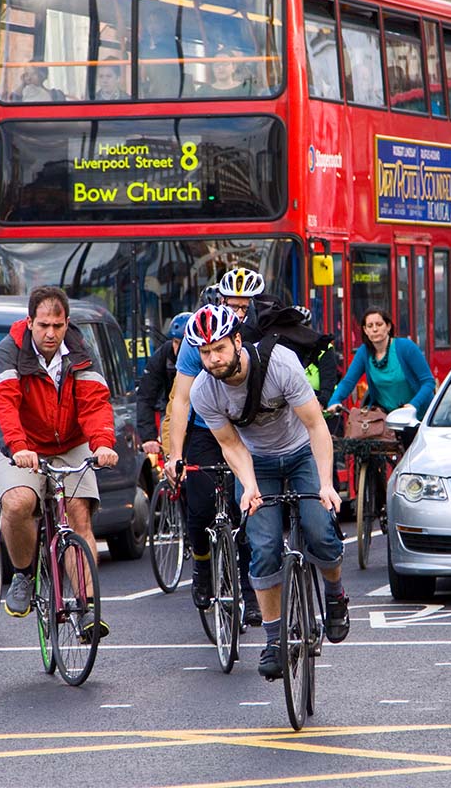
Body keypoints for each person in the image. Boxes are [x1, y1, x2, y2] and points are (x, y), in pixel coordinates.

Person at [185, 304, 349, 679]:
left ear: (238, 341)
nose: (213, 359)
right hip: (256, 461)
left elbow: (316, 426)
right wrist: (251, 488)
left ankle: (336, 596)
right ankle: (274, 640)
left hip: (301, 452)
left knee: (321, 531)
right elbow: (231, 446)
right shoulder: (203, 392)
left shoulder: (281, 364)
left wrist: (325, 484)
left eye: (219, 349)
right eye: (205, 352)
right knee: (262, 547)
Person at [0, 286, 118, 637]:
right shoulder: (9, 351)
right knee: (18, 503)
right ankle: (24, 574)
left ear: (66, 323)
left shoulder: (79, 349)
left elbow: (95, 403)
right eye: (43, 325)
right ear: (29, 322)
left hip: (71, 441)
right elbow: (3, 405)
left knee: (78, 514)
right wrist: (17, 447)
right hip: (22, 443)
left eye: (57, 326)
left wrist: (102, 443)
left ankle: (87, 607)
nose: (50, 333)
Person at [166, 271, 265, 627]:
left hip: (247, 425)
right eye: (232, 305)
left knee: (245, 514)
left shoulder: (258, 329)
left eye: (244, 306)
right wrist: (175, 454)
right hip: (207, 427)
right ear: (219, 300)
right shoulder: (200, 333)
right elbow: (180, 399)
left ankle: (251, 593)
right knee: (201, 502)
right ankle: (203, 566)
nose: (238, 312)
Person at [327, 308, 435, 416]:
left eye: (379, 324)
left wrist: (413, 405)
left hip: (419, 417)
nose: (374, 329)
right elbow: (348, 382)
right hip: (386, 420)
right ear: (365, 330)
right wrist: (335, 400)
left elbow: (428, 382)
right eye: (370, 326)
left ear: (388, 326)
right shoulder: (364, 352)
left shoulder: (406, 347)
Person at [137, 312, 192, 455]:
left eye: (184, 343)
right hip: (172, 410)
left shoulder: (205, 355)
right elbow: (145, 395)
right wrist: (149, 437)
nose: (179, 348)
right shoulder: (163, 355)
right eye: (175, 342)